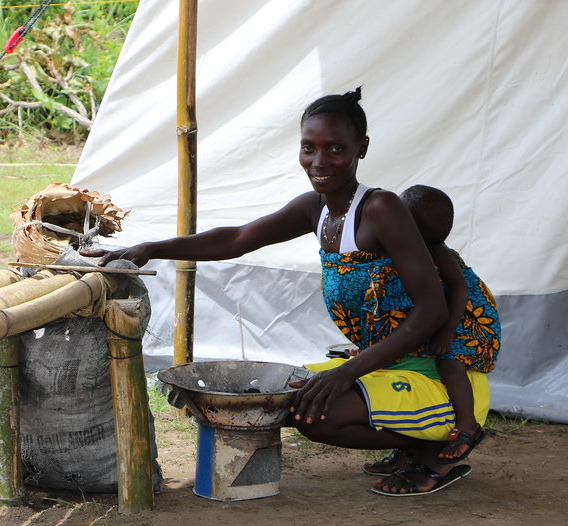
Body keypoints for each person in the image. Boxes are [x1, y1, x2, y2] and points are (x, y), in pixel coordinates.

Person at [86, 88, 494, 496]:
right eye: (309, 148)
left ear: (361, 149)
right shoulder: (316, 208)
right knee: (287, 399)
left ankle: (435, 450)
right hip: (392, 358)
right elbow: (237, 239)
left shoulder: (380, 209)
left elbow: (433, 310)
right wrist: (150, 249)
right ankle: (411, 443)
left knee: (321, 415)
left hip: (434, 362)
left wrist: (346, 372)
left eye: (335, 148)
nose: (319, 162)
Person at [399, 184, 500, 461]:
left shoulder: (435, 249)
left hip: (470, 317)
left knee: (449, 360)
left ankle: (467, 424)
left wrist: (447, 331)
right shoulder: (404, 243)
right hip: (445, 313)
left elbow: (460, 290)